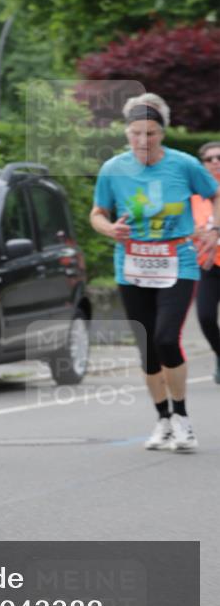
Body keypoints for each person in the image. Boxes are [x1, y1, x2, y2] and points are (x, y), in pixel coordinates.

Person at [90, 93, 219, 452]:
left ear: (162, 133)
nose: (143, 141)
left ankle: (182, 419)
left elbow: (215, 193)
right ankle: (162, 419)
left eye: (150, 134)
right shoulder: (113, 169)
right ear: (126, 133)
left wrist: (214, 227)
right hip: (131, 264)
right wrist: (109, 229)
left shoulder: (185, 165)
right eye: (135, 134)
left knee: (166, 338)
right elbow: (97, 212)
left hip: (178, 261)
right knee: (147, 347)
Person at [192, 141, 220, 383]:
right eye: (209, 159)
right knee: (206, 317)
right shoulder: (195, 197)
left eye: (219, 157)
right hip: (207, 267)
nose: (215, 162)